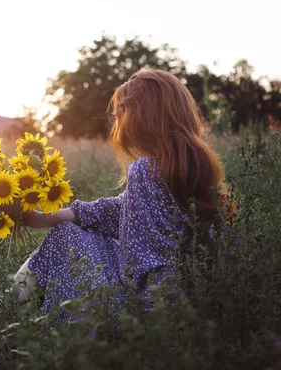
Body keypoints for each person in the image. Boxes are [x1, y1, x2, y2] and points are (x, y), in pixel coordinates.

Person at [15, 69, 228, 320]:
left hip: (144, 314)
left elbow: (146, 267)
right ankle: (8, 312)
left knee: (66, 236)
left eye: (120, 114)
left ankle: (8, 316)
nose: (116, 122)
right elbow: (115, 209)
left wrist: (157, 336)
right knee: (70, 230)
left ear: (141, 118)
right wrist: (38, 217)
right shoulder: (196, 171)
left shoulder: (145, 171)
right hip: (183, 306)